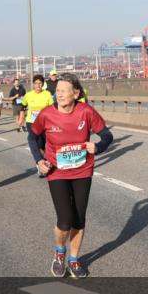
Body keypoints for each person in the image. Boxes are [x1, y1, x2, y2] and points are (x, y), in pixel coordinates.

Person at [29, 74, 114, 277]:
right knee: (65, 219)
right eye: (57, 91)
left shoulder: (86, 111)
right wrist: (38, 160)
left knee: (79, 219)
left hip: (82, 170)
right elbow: (33, 136)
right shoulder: (47, 114)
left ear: (75, 93)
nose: (59, 94)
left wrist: (98, 146)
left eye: (63, 90)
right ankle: (60, 252)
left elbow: (107, 136)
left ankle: (74, 260)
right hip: (56, 171)